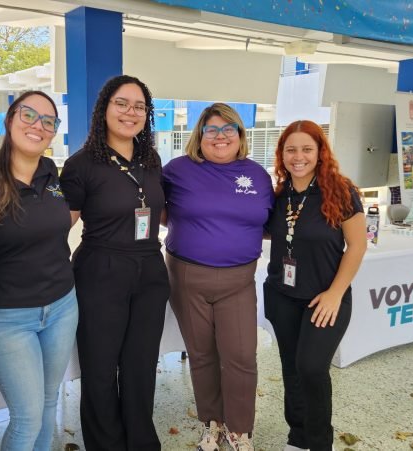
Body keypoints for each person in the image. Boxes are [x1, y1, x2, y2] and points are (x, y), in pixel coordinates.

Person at [59, 75, 170, 451]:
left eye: (139, 106)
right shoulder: (81, 165)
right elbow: (58, 227)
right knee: (101, 371)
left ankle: (140, 443)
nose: (130, 112)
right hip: (100, 273)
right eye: (121, 103)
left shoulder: (151, 161)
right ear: (104, 109)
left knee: (141, 371)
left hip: (151, 273)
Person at [0, 91, 77, 451]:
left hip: (62, 306)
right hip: (6, 316)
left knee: (47, 405)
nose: (38, 125)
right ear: (10, 119)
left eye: (49, 121)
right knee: (27, 415)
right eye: (29, 115)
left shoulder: (51, 173)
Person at [162, 103, 273, 451]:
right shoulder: (177, 171)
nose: (220, 136)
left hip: (239, 280)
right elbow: (159, 212)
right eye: (212, 130)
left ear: (241, 136)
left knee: (240, 356)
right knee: (202, 355)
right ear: (200, 135)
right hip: (186, 277)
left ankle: (240, 431)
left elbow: (268, 222)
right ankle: (213, 424)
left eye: (229, 130)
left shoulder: (257, 175)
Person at [263, 120, 366, 451]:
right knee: (291, 370)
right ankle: (298, 437)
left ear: (321, 152)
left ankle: (321, 442)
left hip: (326, 297)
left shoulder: (341, 191)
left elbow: (358, 246)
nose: (298, 156)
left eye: (307, 149)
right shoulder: (279, 195)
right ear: (281, 154)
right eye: (291, 149)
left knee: (310, 368)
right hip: (282, 295)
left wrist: (336, 294)